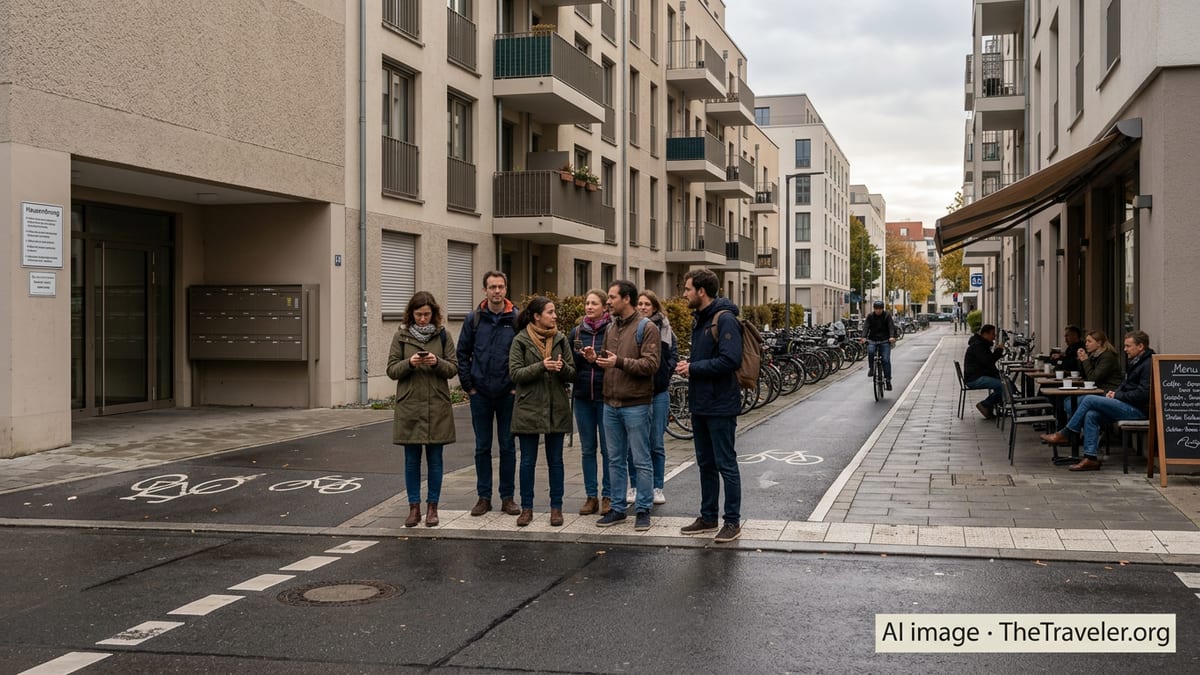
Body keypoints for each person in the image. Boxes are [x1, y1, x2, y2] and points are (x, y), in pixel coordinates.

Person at [676, 268, 744, 543]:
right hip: (701, 403)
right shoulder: (700, 319)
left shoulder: (724, 319)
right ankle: (707, 516)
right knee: (705, 463)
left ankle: (732, 521)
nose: (684, 294)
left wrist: (693, 368)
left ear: (701, 292)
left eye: (687, 289)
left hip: (720, 404)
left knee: (726, 464)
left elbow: (731, 360)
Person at [588, 280, 659, 532]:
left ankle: (643, 510)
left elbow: (651, 365)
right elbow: (610, 361)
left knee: (641, 459)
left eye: (612, 297)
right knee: (615, 460)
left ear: (626, 299)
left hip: (636, 404)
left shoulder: (646, 327)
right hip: (611, 403)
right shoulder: (610, 328)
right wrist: (595, 359)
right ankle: (617, 509)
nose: (608, 302)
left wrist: (619, 362)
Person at [386, 291, 458, 528]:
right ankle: (414, 508)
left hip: (437, 404)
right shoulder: (401, 336)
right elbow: (392, 370)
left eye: (427, 314)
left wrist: (436, 362)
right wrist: (410, 363)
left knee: (436, 459)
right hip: (410, 405)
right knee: (411, 460)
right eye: (418, 315)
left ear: (434, 313)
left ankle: (432, 508)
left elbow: (453, 369)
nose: (423, 319)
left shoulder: (443, 335)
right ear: (411, 314)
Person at [1040, 331, 1155, 471]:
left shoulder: (1148, 364)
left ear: (1140, 346)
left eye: (1128, 346)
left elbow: (1143, 394)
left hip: (1138, 410)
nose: (1125, 349)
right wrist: (1116, 393)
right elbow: (1125, 385)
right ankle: (1090, 458)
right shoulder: (1136, 361)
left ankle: (1066, 433)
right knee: (1091, 414)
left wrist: (1117, 396)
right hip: (1126, 403)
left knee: (1089, 399)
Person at [457, 271, 521, 518]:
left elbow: (524, 353)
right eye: (492, 287)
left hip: (508, 393)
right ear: (485, 290)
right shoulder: (473, 319)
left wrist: (515, 385)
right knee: (482, 447)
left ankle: (508, 498)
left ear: (506, 289)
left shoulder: (516, 318)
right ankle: (484, 497)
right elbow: (462, 354)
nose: (497, 291)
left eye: (501, 286)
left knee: (507, 446)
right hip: (480, 393)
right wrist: (469, 386)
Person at [509, 297, 576, 527]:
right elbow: (515, 374)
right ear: (537, 316)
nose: (555, 316)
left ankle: (556, 508)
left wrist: (562, 368)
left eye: (555, 311)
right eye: (550, 312)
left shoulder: (560, 339)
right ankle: (526, 508)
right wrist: (542, 366)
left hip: (556, 407)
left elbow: (572, 372)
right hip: (529, 407)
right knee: (527, 461)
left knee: (555, 461)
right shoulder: (520, 340)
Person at [569, 290, 612, 516]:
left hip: (606, 397)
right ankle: (590, 497)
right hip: (583, 397)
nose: (589, 306)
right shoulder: (577, 332)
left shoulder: (612, 330)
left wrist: (596, 360)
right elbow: (569, 363)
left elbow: (615, 361)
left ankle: (608, 496)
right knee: (587, 449)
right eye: (586, 303)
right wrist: (581, 357)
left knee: (608, 450)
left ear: (605, 307)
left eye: (594, 303)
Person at [635, 289, 678, 506]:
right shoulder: (632, 327)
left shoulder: (665, 328)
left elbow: (673, 355)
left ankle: (657, 487)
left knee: (656, 443)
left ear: (654, 307)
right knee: (635, 443)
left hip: (659, 392)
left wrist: (664, 375)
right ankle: (635, 486)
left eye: (646, 304)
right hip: (636, 392)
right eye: (639, 304)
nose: (642, 307)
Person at [963, 323, 1006, 419]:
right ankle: (985, 404)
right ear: (985, 334)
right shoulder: (978, 346)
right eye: (993, 334)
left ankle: (992, 407)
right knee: (1003, 386)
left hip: (979, 375)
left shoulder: (982, 345)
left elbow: (988, 362)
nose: (994, 337)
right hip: (974, 378)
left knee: (1005, 382)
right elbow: (988, 362)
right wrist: (998, 351)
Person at [863, 300, 899, 390]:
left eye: (880, 309)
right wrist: (863, 337)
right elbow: (866, 327)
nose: (878, 311)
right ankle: (871, 368)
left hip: (885, 340)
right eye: (876, 309)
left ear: (882, 309)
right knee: (870, 352)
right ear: (874, 309)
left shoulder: (887, 316)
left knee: (886, 360)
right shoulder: (870, 316)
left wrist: (891, 337)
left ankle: (888, 380)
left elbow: (891, 326)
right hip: (873, 340)